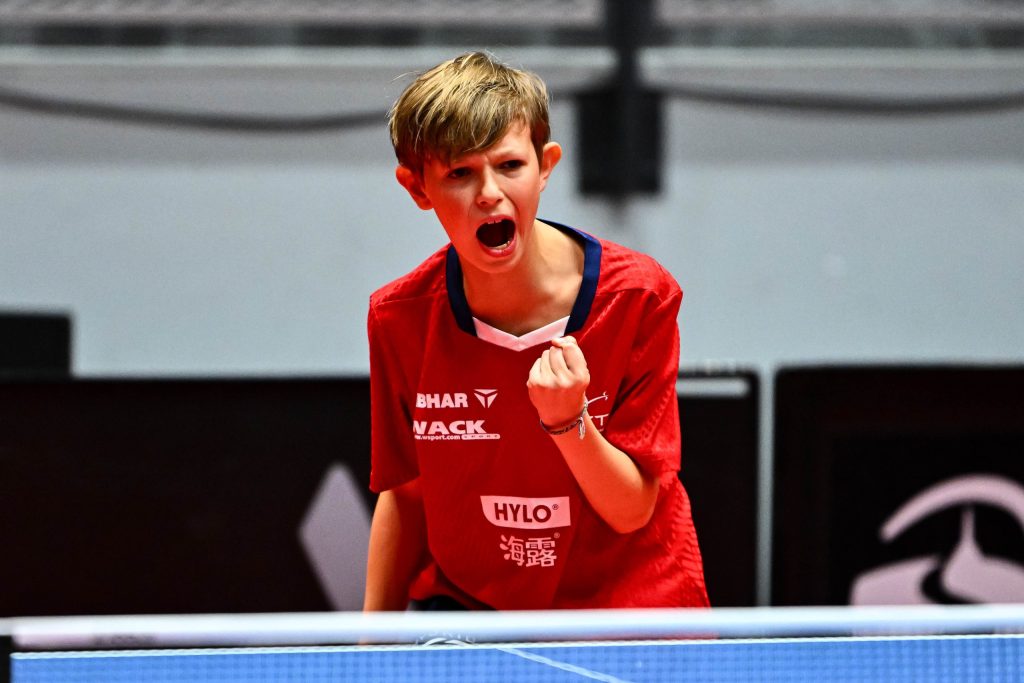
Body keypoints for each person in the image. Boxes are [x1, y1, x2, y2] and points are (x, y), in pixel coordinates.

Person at [363, 51, 708, 611]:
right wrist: (368, 644)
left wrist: (568, 422)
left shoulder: (638, 298)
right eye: (459, 173)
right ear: (417, 187)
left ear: (546, 166)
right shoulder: (399, 317)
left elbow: (632, 510)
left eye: (509, 166)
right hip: (477, 613)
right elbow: (405, 495)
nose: (489, 193)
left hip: (629, 612)